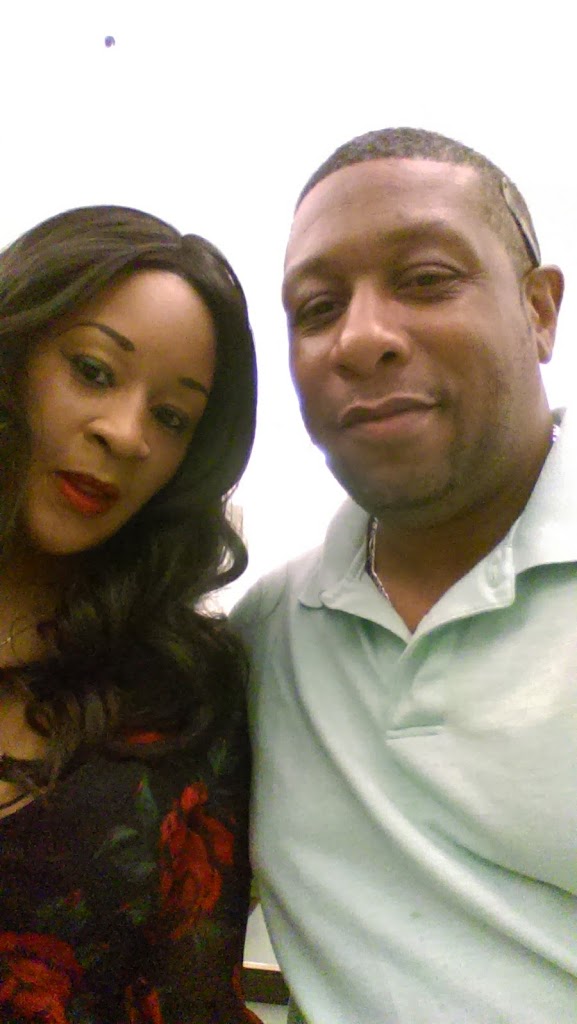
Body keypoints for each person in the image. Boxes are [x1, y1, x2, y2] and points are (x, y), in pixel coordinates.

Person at [232, 129, 577, 1023]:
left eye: (425, 281)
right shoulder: (266, 637)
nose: (361, 339)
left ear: (539, 311)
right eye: (317, 308)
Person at [0, 205, 263, 1023]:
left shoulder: (185, 694)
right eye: (93, 370)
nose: (125, 435)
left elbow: (189, 997)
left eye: (171, 417)